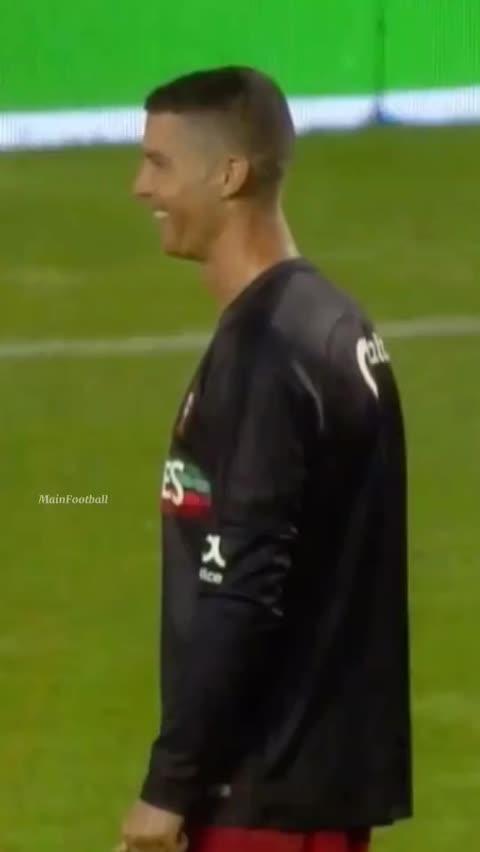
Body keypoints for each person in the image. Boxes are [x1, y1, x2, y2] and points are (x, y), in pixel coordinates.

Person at [117, 66, 412, 852]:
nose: (141, 188)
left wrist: (168, 787)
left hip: (261, 796)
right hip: (312, 781)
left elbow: (242, 584)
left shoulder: (267, 352)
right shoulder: (335, 323)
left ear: (229, 175)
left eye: (158, 163)